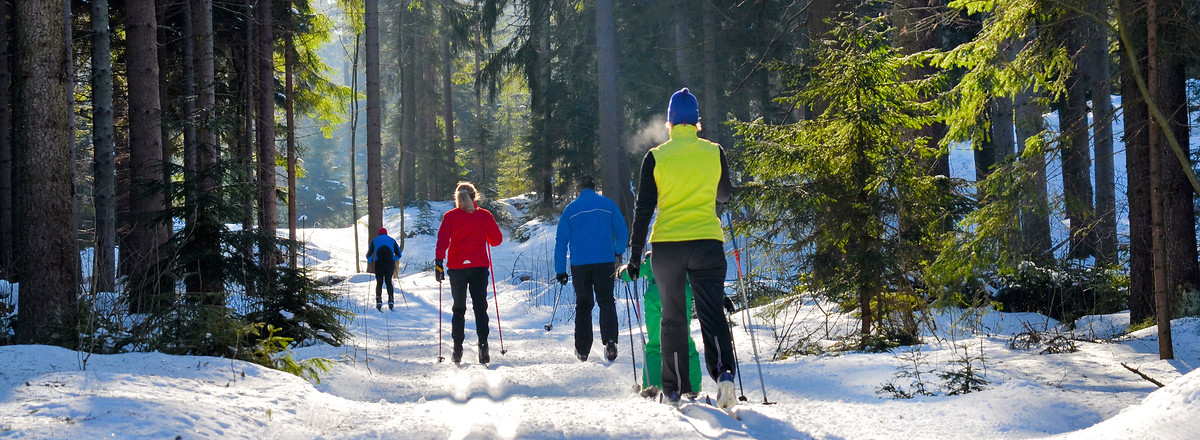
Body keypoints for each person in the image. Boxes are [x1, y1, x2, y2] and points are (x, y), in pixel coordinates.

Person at [625, 87, 737, 409]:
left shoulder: (656, 157)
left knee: (673, 318)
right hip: (706, 242)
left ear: (670, 123)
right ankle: (724, 374)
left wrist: (635, 259)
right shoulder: (714, 151)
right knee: (711, 313)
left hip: (668, 246)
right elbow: (724, 195)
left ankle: (674, 389)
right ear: (696, 122)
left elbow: (643, 210)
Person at [554, 175, 629, 362]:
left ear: (578, 190)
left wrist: (560, 270)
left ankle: (582, 349)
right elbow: (622, 231)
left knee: (584, 304)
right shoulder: (607, 204)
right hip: (604, 261)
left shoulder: (570, 209)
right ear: (594, 188)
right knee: (606, 301)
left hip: (580, 264)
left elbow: (561, 241)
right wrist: (617, 251)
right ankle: (610, 341)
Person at [435, 182, 504, 365]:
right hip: (479, 267)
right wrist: (484, 234)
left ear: (457, 198)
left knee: (459, 309)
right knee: (480, 308)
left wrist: (439, 264)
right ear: (475, 197)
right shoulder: (484, 215)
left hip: (457, 268)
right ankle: (483, 347)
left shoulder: (450, 216)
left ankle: (457, 350)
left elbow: (442, 240)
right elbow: (496, 240)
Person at [619, 251, 702, 397]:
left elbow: (632, 273)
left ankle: (654, 385)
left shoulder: (653, 257)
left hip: (657, 295)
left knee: (656, 341)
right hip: (682, 293)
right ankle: (692, 386)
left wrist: (621, 271)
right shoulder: (685, 254)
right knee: (684, 339)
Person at [366, 227, 402, 311]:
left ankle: (379, 300)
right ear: (386, 233)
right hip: (389, 263)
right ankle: (391, 300)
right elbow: (399, 255)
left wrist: (371, 260)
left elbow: (369, 255)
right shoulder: (392, 240)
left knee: (379, 282)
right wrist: (393, 258)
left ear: (379, 233)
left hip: (379, 263)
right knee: (388, 281)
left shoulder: (375, 240)